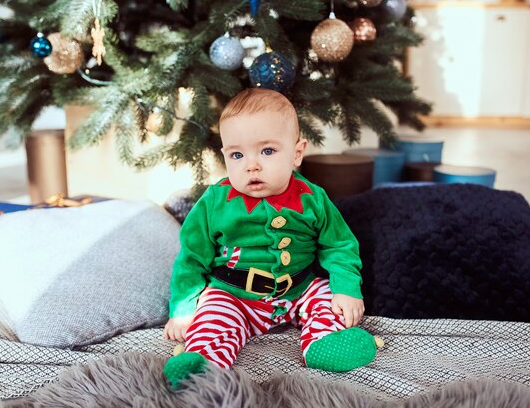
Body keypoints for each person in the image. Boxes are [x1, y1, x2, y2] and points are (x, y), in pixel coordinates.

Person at [162, 88, 379, 388]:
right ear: (225, 156)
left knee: (326, 299)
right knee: (212, 314)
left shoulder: (312, 199)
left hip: (298, 289)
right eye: (237, 154)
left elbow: (339, 245)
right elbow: (191, 258)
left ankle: (323, 344)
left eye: (267, 151)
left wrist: (346, 289)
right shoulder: (215, 202)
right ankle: (204, 361)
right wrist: (182, 311)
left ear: (297, 153)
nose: (251, 165)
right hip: (235, 295)